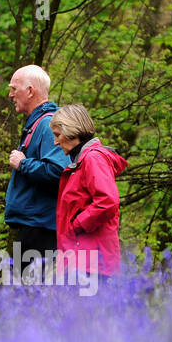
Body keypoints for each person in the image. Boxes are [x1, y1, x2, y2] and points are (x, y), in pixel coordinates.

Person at [51, 104, 128, 282]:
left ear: (71, 131)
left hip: (93, 263)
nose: (55, 142)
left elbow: (107, 201)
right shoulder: (80, 161)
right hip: (81, 260)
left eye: (57, 135)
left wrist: (77, 225)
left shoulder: (93, 158)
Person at [5, 65, 69, 269]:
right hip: (34, 226)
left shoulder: (48, 125)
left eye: (14, 89)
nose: (10, 94)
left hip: (41, 229)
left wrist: (23, 164)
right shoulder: (38, 123)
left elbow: (59, 172)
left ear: (30, 91)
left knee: (31, 294)